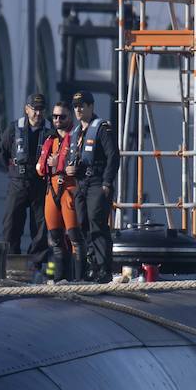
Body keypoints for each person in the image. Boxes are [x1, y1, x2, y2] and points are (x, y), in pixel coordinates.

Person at [70, 90, 120, 282]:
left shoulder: (102, 128)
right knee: (83, 223)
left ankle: (103, 268)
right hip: (81, 183)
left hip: (98, 182)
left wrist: (107, 182)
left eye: (82, 105)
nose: (78, 109)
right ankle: (92, 263)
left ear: (91, 107)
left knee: (97, 223)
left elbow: (113, 157)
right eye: (76, 106)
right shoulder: (76, 132)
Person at [0, 92, 52, 260]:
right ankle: (11, 261)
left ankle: (36, 263)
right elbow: (4, 151)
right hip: (18, 181)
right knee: (11, 224)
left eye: (41, 109)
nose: (38, 113)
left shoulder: (51, 131)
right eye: (34, 109)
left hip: (40, 183)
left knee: (40, 226)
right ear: (27, 109)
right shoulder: (14, 128)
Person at [36, 101, 81, 281]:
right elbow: (40, 167)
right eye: (54, 116)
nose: (57, 120)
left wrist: (57, 165)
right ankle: (60, 279)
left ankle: (78, 279)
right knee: (55, 239)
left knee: (74, 238)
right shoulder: (50, 140)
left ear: (69, 117)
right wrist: (49, 166)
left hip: (69, 188)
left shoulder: (77, 138)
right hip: (51, 190)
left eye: (62, 116)